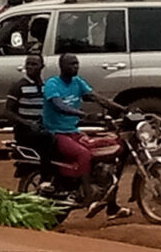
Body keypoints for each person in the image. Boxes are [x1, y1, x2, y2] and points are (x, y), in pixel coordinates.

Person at [40, 51, 121, 205]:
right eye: (72, 64)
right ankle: (88, 194)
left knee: (106, 145)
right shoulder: (53, 83)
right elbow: (58, 105)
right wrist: (81, 114)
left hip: (74, 132)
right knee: (84, 154)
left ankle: (109, 199)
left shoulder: (77, 82)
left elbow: (96, 97)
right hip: (57, 134)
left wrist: (122, 109)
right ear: (62, 66)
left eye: (77, 63)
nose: (75, 67)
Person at [4, 49, 50, 164]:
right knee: (50, 139)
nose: (29, 67)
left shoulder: (47, 86)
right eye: (28, 64)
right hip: (25, 131)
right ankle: (46, 174)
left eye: (34, 64)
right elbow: (8, 112)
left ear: (42, 66)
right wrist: (28, 124)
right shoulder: (18, 86)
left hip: (41, 128)